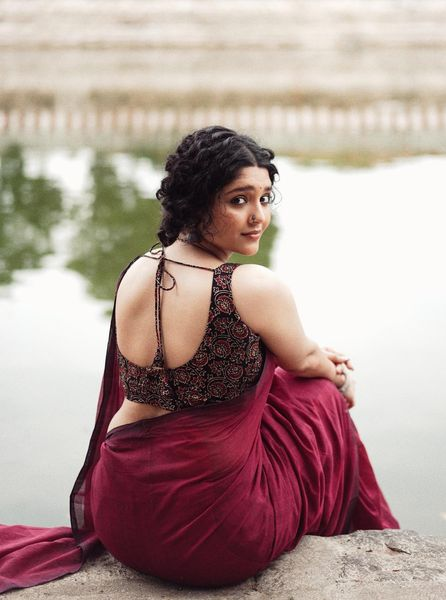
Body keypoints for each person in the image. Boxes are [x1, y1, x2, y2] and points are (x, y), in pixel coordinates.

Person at [0, 126, 399, 593]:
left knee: (273, 385)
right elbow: (306, 361)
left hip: (121, 517)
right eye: (238, 200)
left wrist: (297, 357)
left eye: (265, 198)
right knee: (318, 394)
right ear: (197, 201)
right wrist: (339, 379)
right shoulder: (250, 286)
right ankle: (353, 536)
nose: (258, 216)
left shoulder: (136, 270)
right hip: (220, 541)